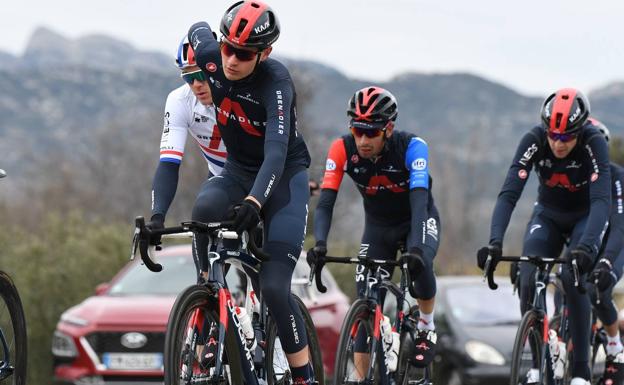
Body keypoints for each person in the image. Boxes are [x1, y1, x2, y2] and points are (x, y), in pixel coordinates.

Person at [186, 1, 314, 384]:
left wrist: (255, 203)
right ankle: (210, 307)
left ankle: (304, 376)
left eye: (243, 54)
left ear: (264, 53)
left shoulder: (276, 82)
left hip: (283, 178)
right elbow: (196, 27)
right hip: (239, 171)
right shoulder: (212, 55)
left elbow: (275, 153)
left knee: (275, 289)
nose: (231, 59)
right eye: (227, 47)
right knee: (203, 210)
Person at [477, 88, 611, 385]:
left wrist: (588, 247)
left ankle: (580, 372)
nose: (557, 143)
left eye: (565, 138)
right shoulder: (534, 139)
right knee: (527, 271)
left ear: (580, 130)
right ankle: (537, 363)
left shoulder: (594, 141)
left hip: (584, 216)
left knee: (571, 275)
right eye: (552, 135)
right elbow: (509, 193)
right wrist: (495, 242)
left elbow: (602, 200)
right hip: (548, 215)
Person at [307, 86, 441, 374]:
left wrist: (416, 249)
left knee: (420, 266)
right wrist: (320, 244)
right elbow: (327, 201)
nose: (364, 140)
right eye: (358, 131)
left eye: (372, 132)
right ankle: (361, 377)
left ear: (388, 129)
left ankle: (426, 325)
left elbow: (419, 198)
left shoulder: (412, 147)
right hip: (378, 227)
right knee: (365, 303)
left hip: (416, 220)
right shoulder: (342, 148)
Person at [146, 36, 227, 248]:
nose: (196, 85)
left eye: (201, 75)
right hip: (221, 176)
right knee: (202, 227)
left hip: (261, 177)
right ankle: (208, 281)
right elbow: (169, 163)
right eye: (188, 77)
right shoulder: (179, 101)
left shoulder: (239, 93)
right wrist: (158, 216)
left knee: (265, 269)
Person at [585, 118, 624, 385]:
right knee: (569, 284)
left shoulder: (615, 175)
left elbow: (619, 224)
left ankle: (614, 347)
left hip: (615, 244)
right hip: (589, 244)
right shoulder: (575, 178)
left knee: (599, 290)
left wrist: (608, 262)